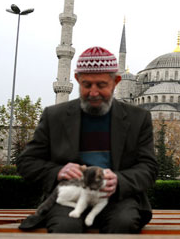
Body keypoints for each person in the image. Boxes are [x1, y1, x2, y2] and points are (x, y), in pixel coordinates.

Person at [17, 46, 158, 233]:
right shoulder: (55, 116)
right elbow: (27, 162)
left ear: (116, 82)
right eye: (86, 85)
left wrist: (119, 180)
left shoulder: (137, 118)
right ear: (76, 80)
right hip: (69, 195)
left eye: (101, 85)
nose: (93, 92)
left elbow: (148, 167)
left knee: (123, 223)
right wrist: (59, 171)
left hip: (116, 198)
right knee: (66, 227)